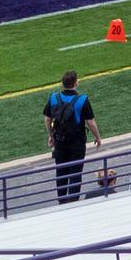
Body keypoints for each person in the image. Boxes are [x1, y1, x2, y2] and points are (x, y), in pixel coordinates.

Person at [42, 70, 101, 203]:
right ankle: (73, 204)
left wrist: (51, 135)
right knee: (75, 174)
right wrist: (97, 137)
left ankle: (62, 203)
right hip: (77, 144)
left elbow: (47, 119)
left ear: (62, 84)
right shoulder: (82, 100)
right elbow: (90, 122)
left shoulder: (53, 98)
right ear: (75, 83)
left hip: (59, 142)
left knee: (61, 173)